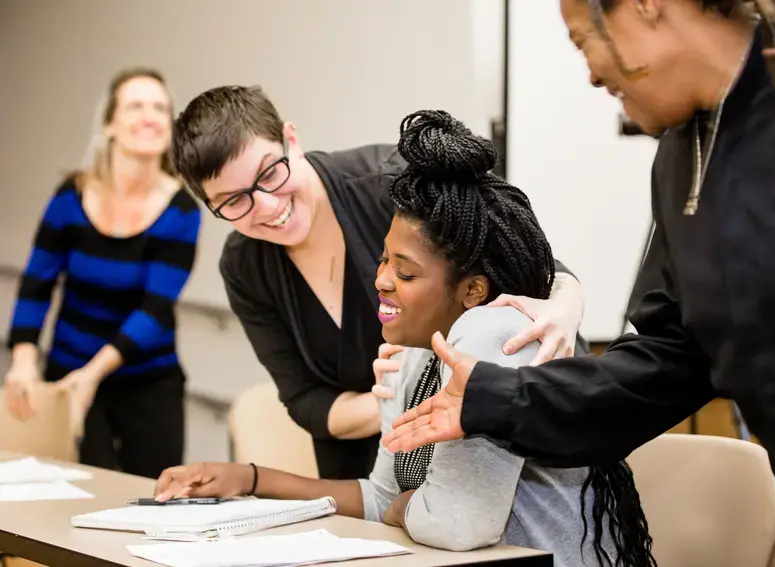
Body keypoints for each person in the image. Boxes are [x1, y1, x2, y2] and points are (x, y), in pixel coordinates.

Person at [383, 0, 775, 565]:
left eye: (585, 42)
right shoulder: (682, 156)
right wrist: (497, 399)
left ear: (647, 7)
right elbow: (671, 359)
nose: (591, 74)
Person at [154, 110, 655, 567]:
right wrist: (253, 479)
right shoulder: (414, 354)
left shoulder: (492, 337)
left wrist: (402, 507)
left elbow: (457, 525)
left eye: (406, 273)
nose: (381, 280)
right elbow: (380, 495)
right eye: (381, 259)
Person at [169, 86, 588, 480]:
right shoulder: (245, 266)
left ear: (290, 139)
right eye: (233, 201)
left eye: (270, 173)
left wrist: (567, 307)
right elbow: (308, 404)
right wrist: (402, 400)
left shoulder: (395, 184)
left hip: (490, 447)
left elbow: (535, 269)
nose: (266, 205)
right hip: (368, 479)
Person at [3, 67, 200, 479]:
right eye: (136, 105)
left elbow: (155, 308)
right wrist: (23, 359)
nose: (149, 116)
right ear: (110, 123)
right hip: (67, 371)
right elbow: (37, 282)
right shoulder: (70, 197)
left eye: (160, 108)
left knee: (155, 498)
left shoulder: (181, 209)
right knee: (74, 496)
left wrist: (91, 376)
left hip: (148, 380)